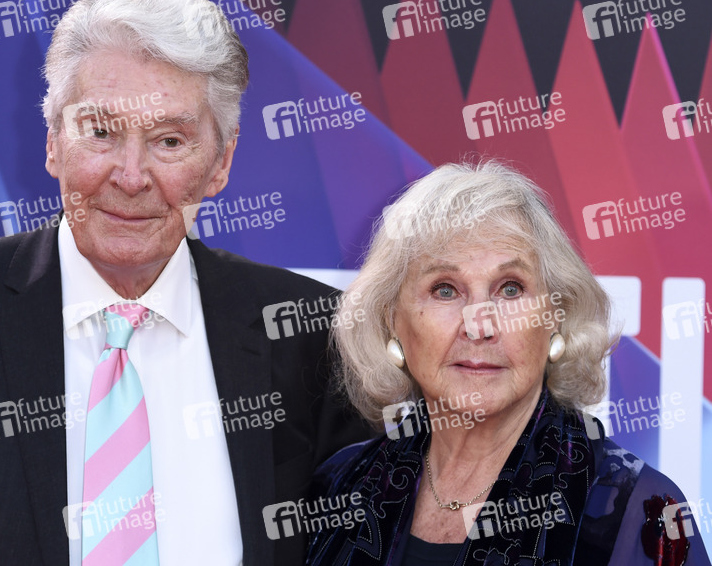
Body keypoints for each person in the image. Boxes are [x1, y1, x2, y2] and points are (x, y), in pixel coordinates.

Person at [0, 0, 370, 566]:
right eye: (100, 132)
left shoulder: (305, 329)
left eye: (170, 140)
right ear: (53, 142)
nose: (131, 176)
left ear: (222, 162)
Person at [305, 161, 711, 565]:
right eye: (445, 290)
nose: (479, 326)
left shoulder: (639, 511)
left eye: (510, 289)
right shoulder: (339, 486)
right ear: (393, 322)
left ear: (556, 318)